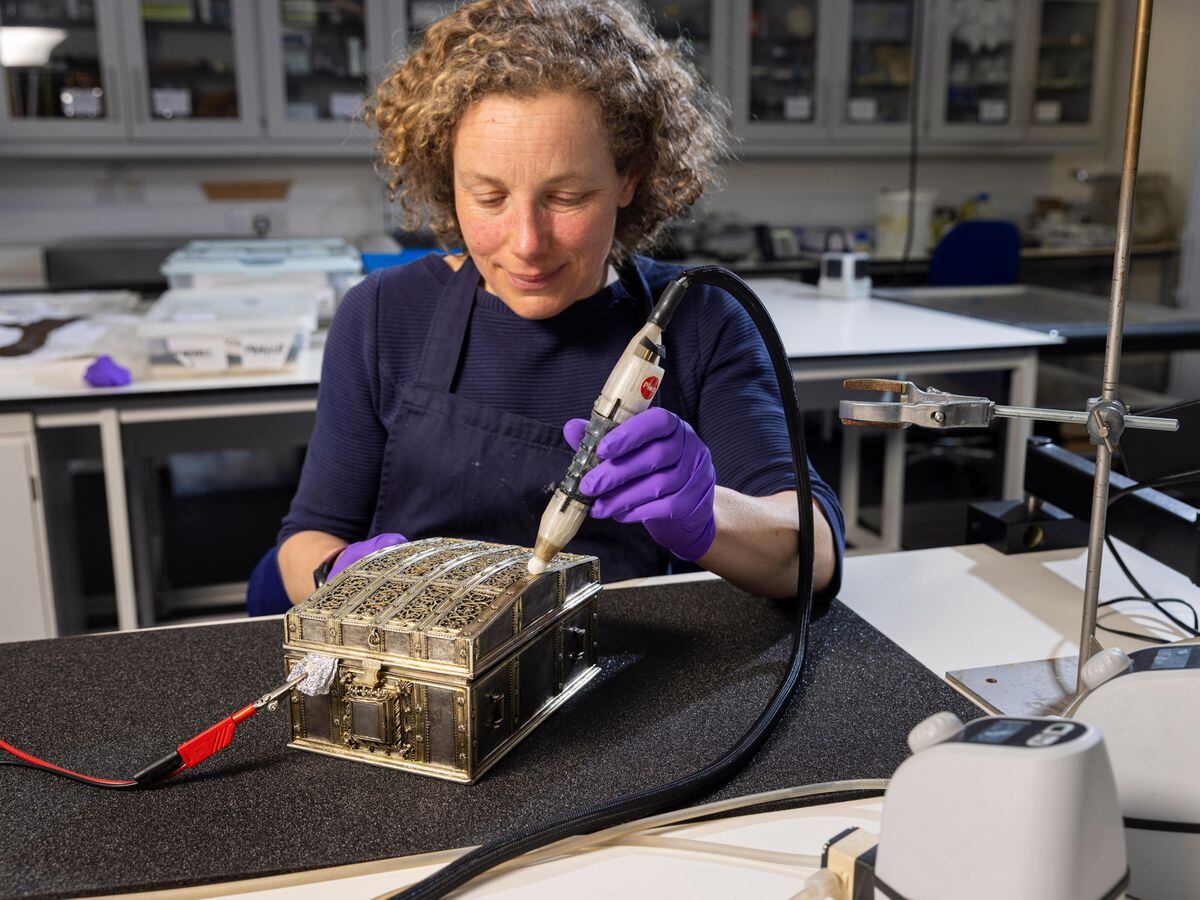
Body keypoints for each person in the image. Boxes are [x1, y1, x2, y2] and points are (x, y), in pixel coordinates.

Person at [259, 0, 844, 613]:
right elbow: (305, 538)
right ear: (446, 177)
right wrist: (340, 578)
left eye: (566, 197)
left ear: (629, 178)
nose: (527, 243)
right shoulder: (383, 315)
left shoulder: (702, 322)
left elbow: (815, 553)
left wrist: (709, 513)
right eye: (488, 197)